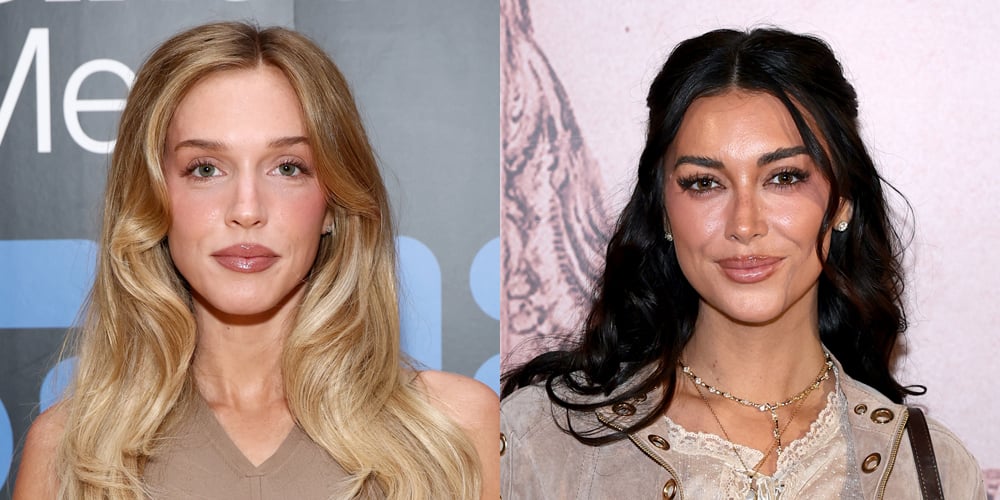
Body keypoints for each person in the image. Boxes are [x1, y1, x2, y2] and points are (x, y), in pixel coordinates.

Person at [14, 22, 499, 500]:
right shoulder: (69, 454)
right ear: (152, 198)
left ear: (333, 204)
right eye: (205, 169)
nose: (246, 210)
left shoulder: (453, 431)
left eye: (287, 167)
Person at [500, 28, 985, 499]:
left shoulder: (934, 471)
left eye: (784, 177)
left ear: (842, 202)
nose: (744, 224)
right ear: (663, 210)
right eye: (704, 183)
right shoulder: (537, 444)